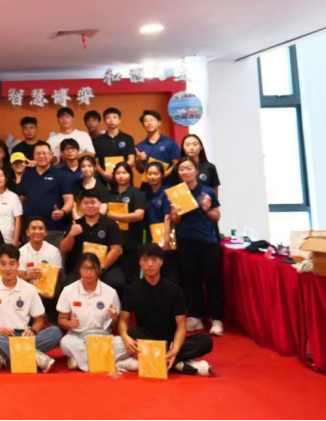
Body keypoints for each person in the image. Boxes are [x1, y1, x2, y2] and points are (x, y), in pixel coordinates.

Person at [119, 243, 215, 376]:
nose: (150, 264)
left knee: (206, 341)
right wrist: (125, 337)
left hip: (170, 340)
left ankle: (165, 358)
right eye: (145, 260)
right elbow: (123, 321)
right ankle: (177, 363)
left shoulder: (175, 290)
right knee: (132, 331)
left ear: (161, 262)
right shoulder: (132, 289)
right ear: (139, 262)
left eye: (154, 260)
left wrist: (175, 349)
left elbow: (181, 326)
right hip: (146, 339)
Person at [0, 244, 62, 373]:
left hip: (24, 335)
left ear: (18, 264)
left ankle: (4, 356)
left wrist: (32, 330)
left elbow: (39, 321)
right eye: (3, 264)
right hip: (0, 336)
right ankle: (33, 355)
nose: (7, 268)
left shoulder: (30, 289)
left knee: (55, 332)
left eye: (12, 264)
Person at [170, 158, 224, 336]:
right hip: (185, 240)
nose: (185, 172)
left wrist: (208, 209)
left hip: (207, 240)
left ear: (196, 170)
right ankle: (195, 316)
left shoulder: (207, 191)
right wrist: (174, 214)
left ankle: (217, 319)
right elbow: (176, 221)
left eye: (188, 168)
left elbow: (217, 216)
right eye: (181, 169)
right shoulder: (177, 192)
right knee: (190, 280)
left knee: (212, 280)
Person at [58, 253, 134, 373]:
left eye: (93, 268)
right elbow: (61, 320)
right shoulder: (68, 291)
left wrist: (114, 318)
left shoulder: (111, 292)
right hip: (79, 337)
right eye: (85, 268)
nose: (89, 272)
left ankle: (82, 361)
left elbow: (115, 323)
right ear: (79, 270)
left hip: (103, 337)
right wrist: (70, 324)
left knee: (125, 343)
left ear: (98, 270)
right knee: (65, 342)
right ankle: (113, 363)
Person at [61, 188, 126, 296]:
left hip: (105, 267)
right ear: (80, 206)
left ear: (100, 204)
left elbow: (117, 250)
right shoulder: (75, 224)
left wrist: (101, 268)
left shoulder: (110, 224)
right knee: (66, 286)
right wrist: (71, 235)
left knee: (116, 282)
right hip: (80, 269)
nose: (90, 206)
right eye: (86, 203)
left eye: (93, 202)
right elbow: (64, 249)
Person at [18, 142, 74, 248]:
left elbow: (69, 200)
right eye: (38, 153)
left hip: (54, 229)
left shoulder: (61, 175)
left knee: (54, 258)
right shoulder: (27, 175)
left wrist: (62, 212)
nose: (41, 156)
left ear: (51, 155)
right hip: (32, 229)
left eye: (44, 153)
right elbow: (21, 200)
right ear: (33, 156)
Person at [107, 162, 147, 285]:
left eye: (124, 173)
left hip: (131, 242)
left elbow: (139, 215)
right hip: (112, 243)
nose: (121, 176)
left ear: (130, 174)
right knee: (112, 278)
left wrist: (114, 216)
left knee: (131, 278)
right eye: (118, 173)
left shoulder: (137, 193)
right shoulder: (109, 194)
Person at [18, 217, 63, 322]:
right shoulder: (21, 252)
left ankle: (53, 323)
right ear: (27, 232)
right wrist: (29, 276)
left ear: (45, 232)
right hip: (27, 291)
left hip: (48, 292)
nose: (37, 231)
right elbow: (18, 275)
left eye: (41, 228)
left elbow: (57, 275)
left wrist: (47, 288)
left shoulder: (54, 251)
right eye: (33, 228)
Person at [141, 162, 177, 284]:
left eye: (156, 174)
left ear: (162, 175)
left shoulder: (166, 192)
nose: (152, 177)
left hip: (166, 235)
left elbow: (168, 217)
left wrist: (166, 239)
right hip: (151, 236)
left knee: (168, 271)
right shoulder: (145, 193)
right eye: (150, 174)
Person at [135, 110, 181, 181]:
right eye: (146, 121)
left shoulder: (170, 143)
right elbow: (141, 171)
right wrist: (138, 160)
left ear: (159, 122)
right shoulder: (140, 146)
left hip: (167, 183)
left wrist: (163, 174)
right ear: (143, 124)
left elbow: (176, 163)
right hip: (148, 184)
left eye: (152, 120)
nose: (149, 123)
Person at [93, 108, 136, 183]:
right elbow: (95, 162)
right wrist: (103, 173)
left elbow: (131, 160)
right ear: (104, 121)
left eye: (114, 117)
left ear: (119, 120)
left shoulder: (127, 138)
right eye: (108, 118)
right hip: (104, 179)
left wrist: (119, 172)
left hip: (124, 177)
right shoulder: (98, 140)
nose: (111, 120)